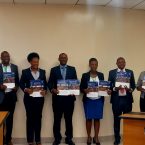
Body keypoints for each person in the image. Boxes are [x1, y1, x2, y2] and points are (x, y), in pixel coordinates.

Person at [48, 53, 77, 145]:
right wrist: (52, 89)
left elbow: (75, 82)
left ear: (67, 59)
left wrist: (74, 90)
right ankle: (57, 138)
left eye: (65, 57)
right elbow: (50, 83)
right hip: (57, 99)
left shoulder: (72, 69)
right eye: (62, 58)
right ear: (59, 59)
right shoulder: (54, 70)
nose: (63, 59)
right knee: (57, 119)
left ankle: (69, 138)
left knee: (69, 119)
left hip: (69, 99)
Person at [80, 58, 111, 145]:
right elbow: (81, 87)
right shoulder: (85, 75)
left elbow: (103, 87)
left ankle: (96, 137)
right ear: (89, 65)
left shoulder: (101, 75)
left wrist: (107, 91)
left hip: (98, 100)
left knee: (97, 119)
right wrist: (85, 90)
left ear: (97, 65)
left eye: (95, 64)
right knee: (88, 119)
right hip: (88, 101)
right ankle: (89, 137)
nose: (94, 66)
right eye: (92, 64)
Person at [20, 52, 47, 145]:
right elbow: (21, 84)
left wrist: (45, 91)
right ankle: (30, 140)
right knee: (30, 118)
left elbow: (45, 84)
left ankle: (38, 140)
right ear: (30, 62)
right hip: (29, 99)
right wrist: (26, 89)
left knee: (38, 118)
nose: (36, 63)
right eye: (34, 62)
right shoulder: (25, 72)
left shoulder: (43, 71)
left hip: (39, 99)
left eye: (37, 62)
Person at [108, 57, 135, 145]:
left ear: (125, 63)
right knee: (116, 120)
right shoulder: (112, 73)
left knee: (128, 120)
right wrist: (115, 88)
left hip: (127, 100)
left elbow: (133, 86)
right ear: (116, 63)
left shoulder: (130, 72)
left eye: (123, 62)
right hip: (116, 100)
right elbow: (109, 86)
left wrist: (130, 89)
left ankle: (128, 137)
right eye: (119, 62)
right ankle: (117, 139)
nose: (121, 64)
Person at [0, 51, 19, 145]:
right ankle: (1, 139)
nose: (6, 57)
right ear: (1, 57)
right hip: (1, 97)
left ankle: (8, 139)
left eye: (7, 56)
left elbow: (18, 82)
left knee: (10, 120)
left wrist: (16, 87)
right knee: (1, 120)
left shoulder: (14, 67)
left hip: (11, 97)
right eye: (4, 56)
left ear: (9, 57)